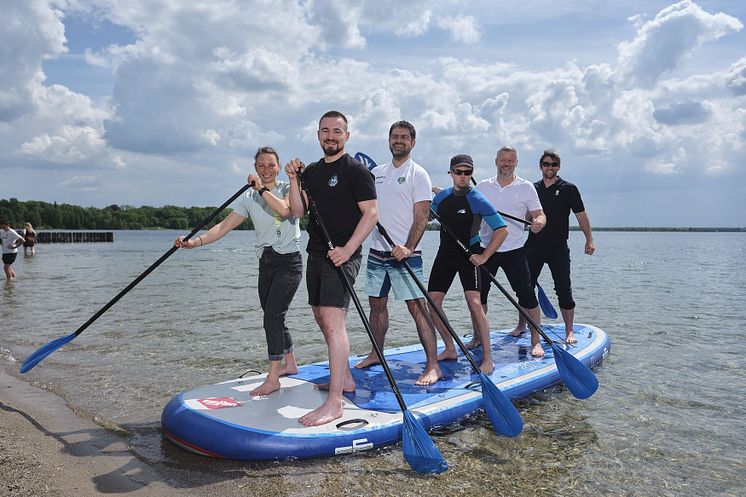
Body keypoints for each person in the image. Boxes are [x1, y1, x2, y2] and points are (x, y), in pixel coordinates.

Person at [175, 146, 303, 397]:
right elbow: (223, 226)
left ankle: (273, 378)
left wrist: (261, 189)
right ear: (255, 168)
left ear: (278, 167)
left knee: (272, 318)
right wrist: (195, 242)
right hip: (265, 262)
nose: (266, 170)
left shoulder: (288, 189)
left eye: (271, 165)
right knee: (272, 314)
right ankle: (291, 363)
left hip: (289, 262)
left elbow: (285, 210)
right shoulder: (249, 198)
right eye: (261, 165)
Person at [285, 110, 378, 426]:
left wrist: (348, 249)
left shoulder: (356, 171)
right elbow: (297, 211)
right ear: (318, 135)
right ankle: (346, 380)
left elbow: (371, 214)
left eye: (337, 131)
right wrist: (294, 179)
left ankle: (335, 402)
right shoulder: (310, 172)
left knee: (334, 321)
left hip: (344, 255)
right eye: (325, 130)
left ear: (347, 136)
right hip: (315, 252)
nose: (331, 135)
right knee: (319, 316)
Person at [354, 120, 442, 386]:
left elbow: (422, 216)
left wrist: (408, 247)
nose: (399, 140)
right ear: (389, 140)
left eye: (404, 137)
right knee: (376, 306)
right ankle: (376, 354)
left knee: (418, 307)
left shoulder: (419, 174)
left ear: (412, 142)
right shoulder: (377, 173)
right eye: (395, 136)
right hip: (377, 253)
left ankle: (433, 366)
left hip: (406, 254)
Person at [427, 155, 507, 373]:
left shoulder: (477, 199)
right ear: (451, 172)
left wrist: (484, 257)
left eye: (467, 173)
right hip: (445, 254)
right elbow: (425, 218)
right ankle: (450, 347)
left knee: (474, 303)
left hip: (469, 255)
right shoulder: (441, 197)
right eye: (458, 172)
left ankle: (488, 358)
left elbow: (502, 230)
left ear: (471, 174)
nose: (463, 177)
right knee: (432, 302)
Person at [475, 146, 547, 357]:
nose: (506, 164)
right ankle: (478, 338)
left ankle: (536, 341)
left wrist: (538, 223)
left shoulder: (526, 187)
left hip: (514, 249)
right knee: (479, 297)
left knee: (527, 296)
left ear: (516, 162)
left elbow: (539, 214)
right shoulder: (482, 186)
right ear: (495, 161)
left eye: (510, 160)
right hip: (486, 249)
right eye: (502, 160)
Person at [525, 149, 595, 344]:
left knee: (563, 288)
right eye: (546, 164)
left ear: (559, 167)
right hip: (533, 246)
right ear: (541, 166)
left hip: (558, 247)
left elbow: (581, 215)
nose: (550, 168)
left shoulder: (568, 189)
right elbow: (524, 215)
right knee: (525, 287)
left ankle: (569, 330)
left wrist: (589, 239)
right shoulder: (532, 188)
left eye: (554, 164)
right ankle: (522, 325)